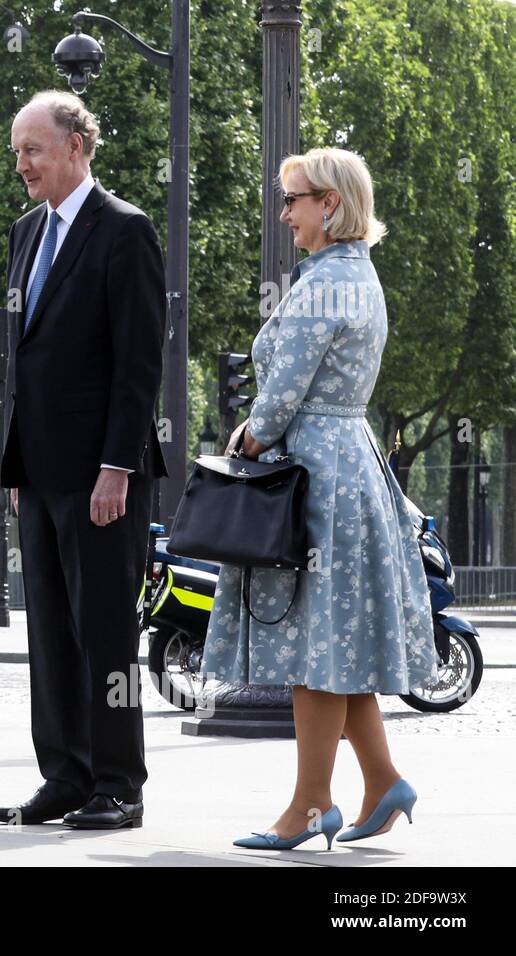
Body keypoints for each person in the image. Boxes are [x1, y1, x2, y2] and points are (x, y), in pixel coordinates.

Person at [201, 147, 436, 850]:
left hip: (314, 473)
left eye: (295, 199)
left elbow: (283, 390)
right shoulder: (355, 274)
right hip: (345, 464)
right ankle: (383, 780)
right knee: (335, 643)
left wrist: (247, 437)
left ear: (330, 204)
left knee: (314, 648)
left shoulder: (326, 283)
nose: (286, 213)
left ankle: (309, 805)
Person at [0, 91, 168, 829]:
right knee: (51, 634)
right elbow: (19, 353)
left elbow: (137, 362)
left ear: (76, 146)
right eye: (17, 151)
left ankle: (119, 783)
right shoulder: (25, 232)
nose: (21, 163)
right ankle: (64, 774)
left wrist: (117, 466)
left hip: (103, 476)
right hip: (39, 469)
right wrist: (12, 464)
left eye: (32, 148)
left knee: (107, 637)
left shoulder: (125, 231)